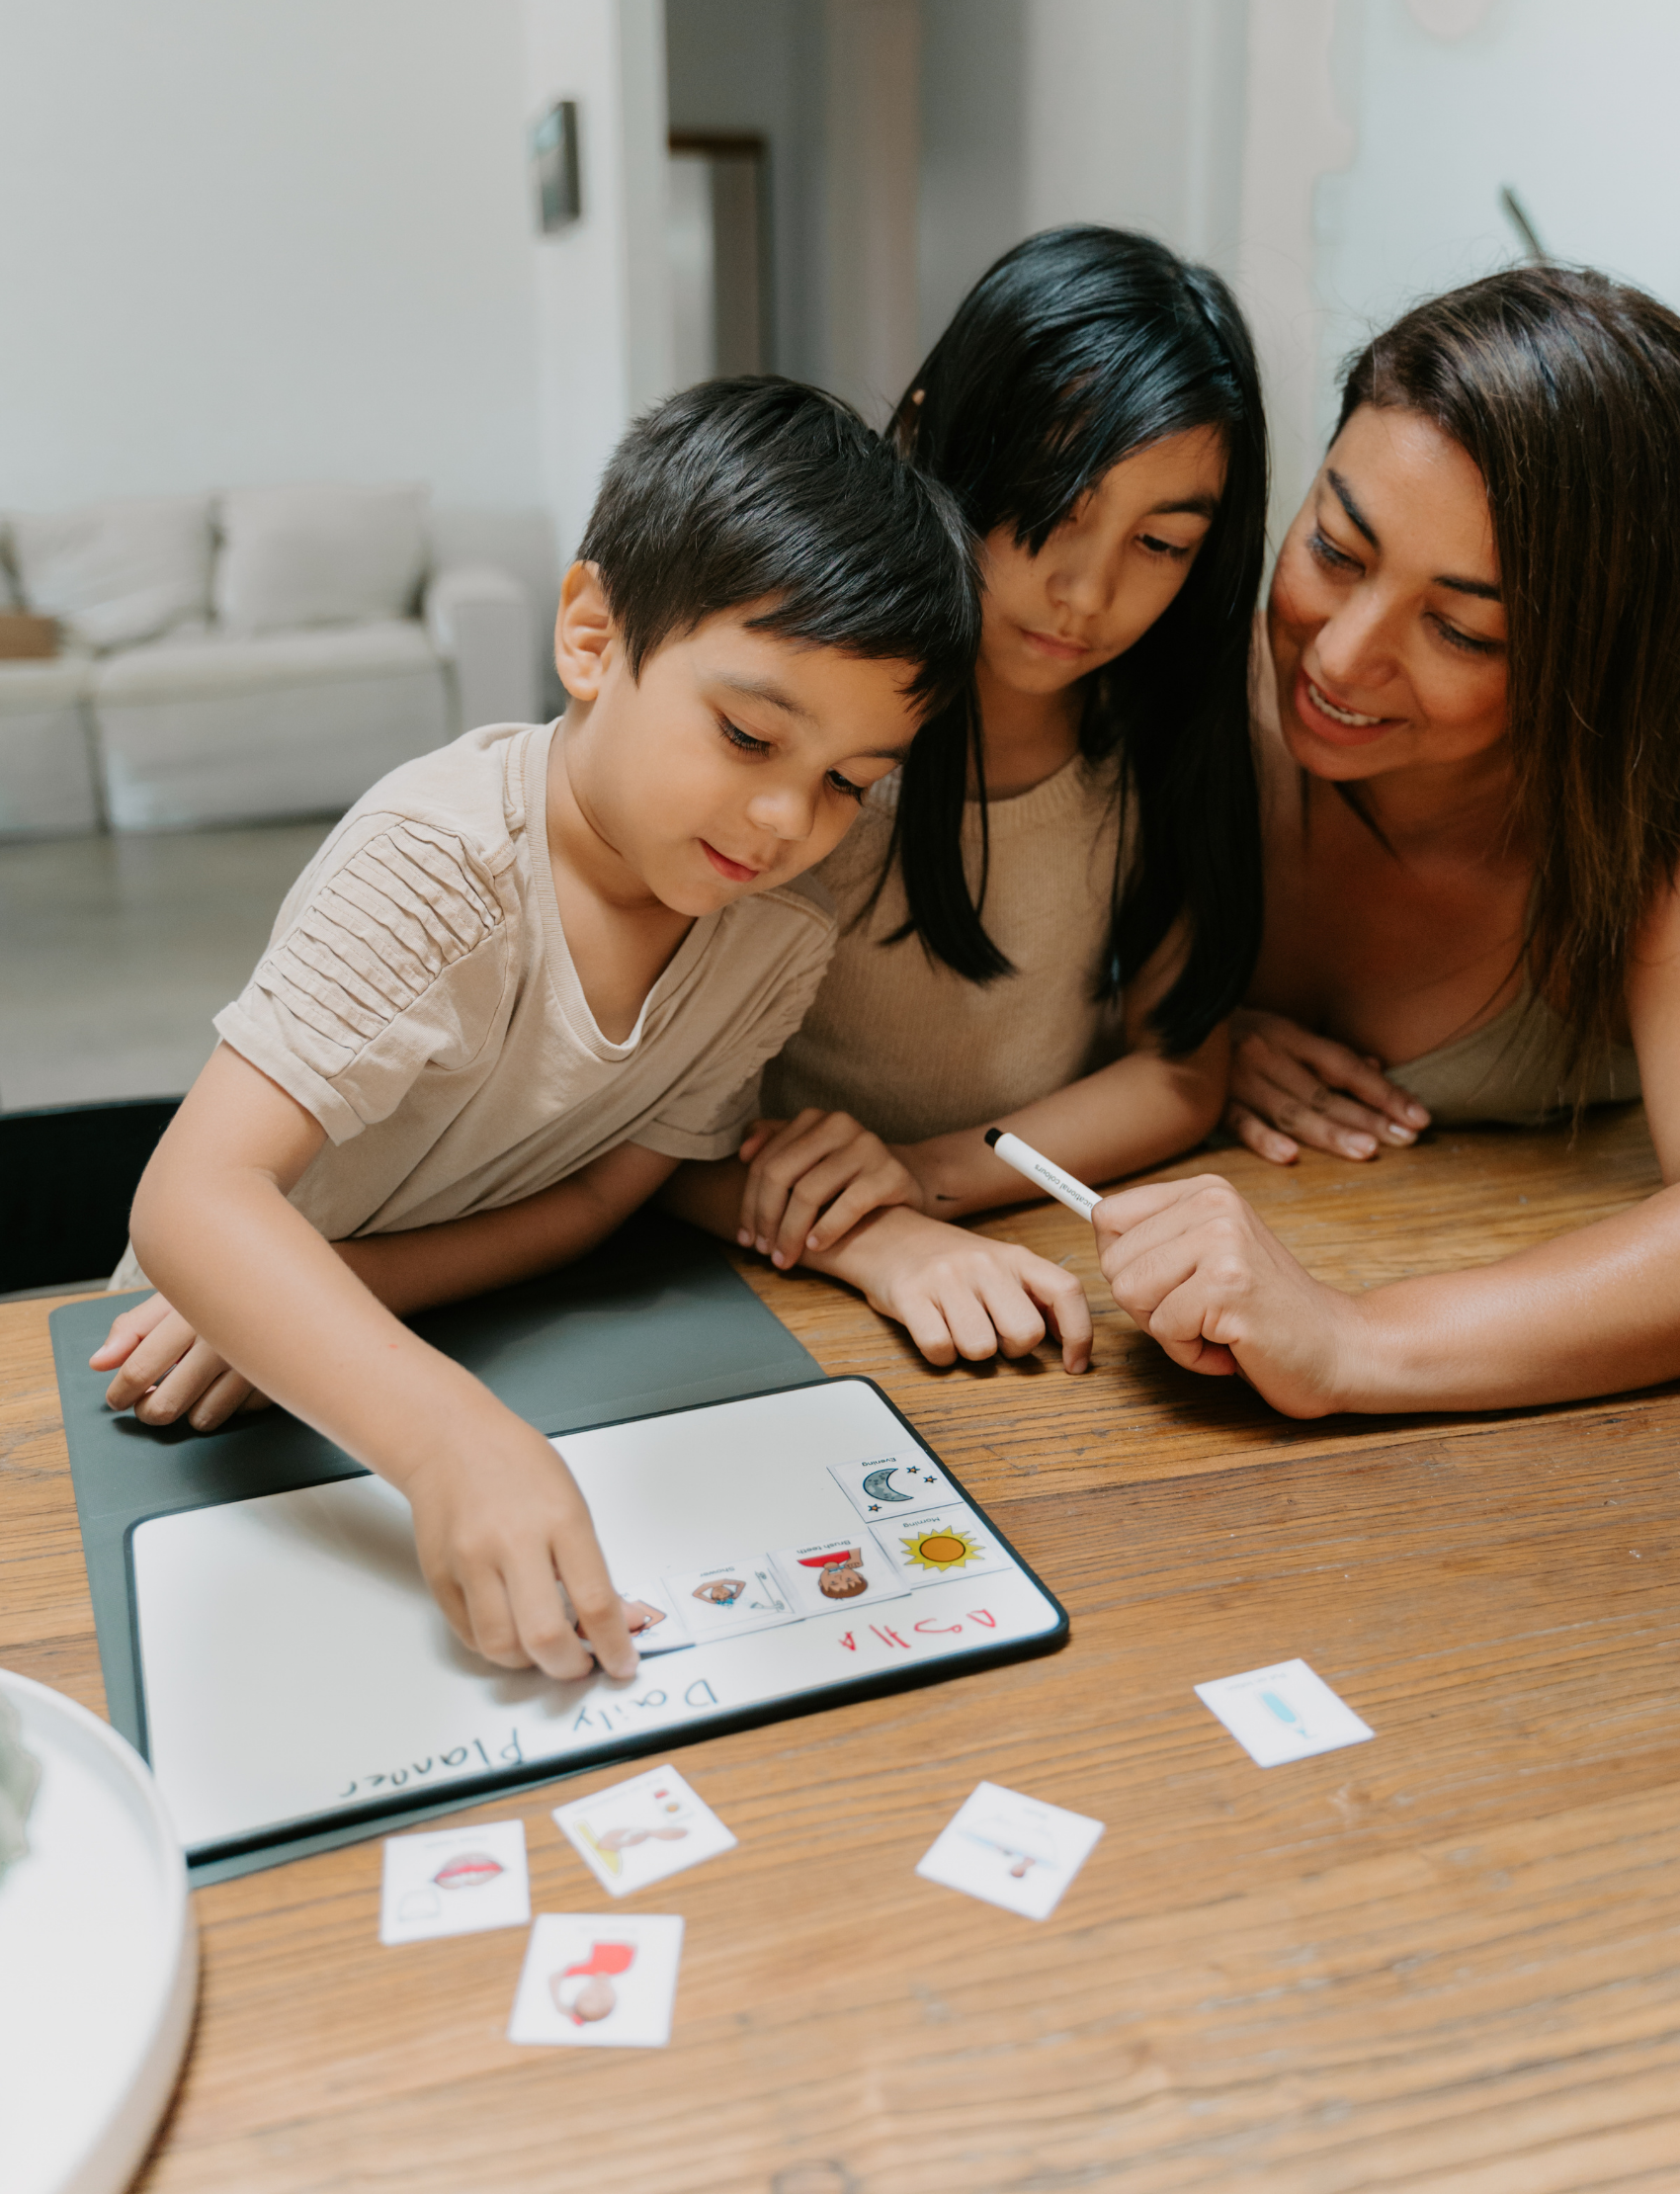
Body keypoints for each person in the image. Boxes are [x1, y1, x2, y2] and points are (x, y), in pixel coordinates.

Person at [91, 377, 978, 1681]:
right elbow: (191, 1202)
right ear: (590, 634)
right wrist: (455, 1438)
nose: (791, 820)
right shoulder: (440, 860)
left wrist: (369, 1322)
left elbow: (596, 1202)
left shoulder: (775, 932)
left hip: (366, 1342)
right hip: (176, 1380)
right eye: (747, 734)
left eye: (849, 782)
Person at [667, 227, 1268, 1376]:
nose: (1086, 592)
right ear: (930, 435)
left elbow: (1177, 1068)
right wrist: (884, 1229)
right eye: (1055, 499)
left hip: (1001, 1240)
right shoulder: (804, 741)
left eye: (1160, 542)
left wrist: (928, 1173)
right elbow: (631, 1125)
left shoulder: (1155, 742)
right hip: (749, 1266)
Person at [1095, 265, 1680, 1414]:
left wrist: (1354, 1343)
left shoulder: (1645, 826)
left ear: (1593, 668)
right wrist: (1183, 1028)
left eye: (1459, 630)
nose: (1338, 657)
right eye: (1334, 550)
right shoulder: (1159, 679)